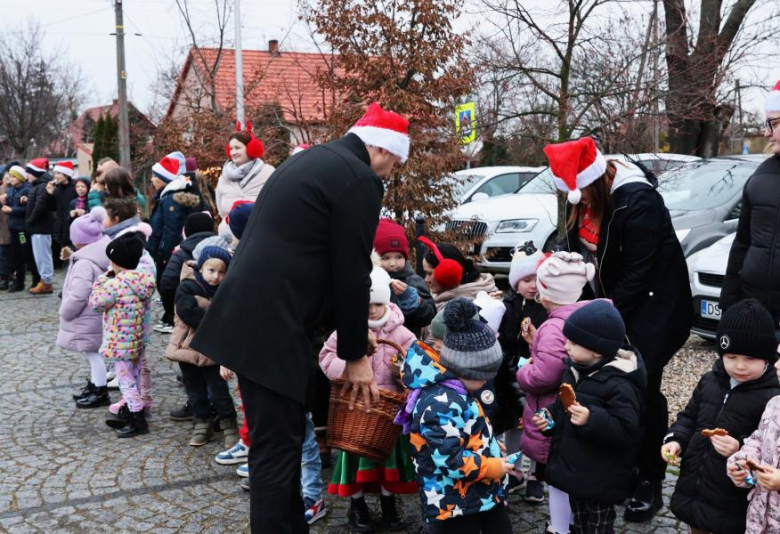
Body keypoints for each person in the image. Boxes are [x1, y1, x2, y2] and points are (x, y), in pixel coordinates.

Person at [190, 103, 409, 533]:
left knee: (278, 449)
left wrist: (346, 333)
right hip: (273, 326)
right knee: (277, 454)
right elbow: (351, 272)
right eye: (395, 162)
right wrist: (355, 356)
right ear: (382, 149)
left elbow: (311, 255)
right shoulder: (359, 177)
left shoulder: (316, 158)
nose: (391, 172)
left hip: (254, 317)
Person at [547, 137, 692, 521]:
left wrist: (597, 315)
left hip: (654, 310)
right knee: (605, 389)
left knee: (642, 389)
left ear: (594, 182)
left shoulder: (636, 200)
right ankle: (617, 470)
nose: (577, 203)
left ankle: (650, 477)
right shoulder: (581, 196)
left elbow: (638, 274)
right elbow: (574, 242)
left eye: (580, 196)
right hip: (611, 307)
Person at [661, 299, 780, 534]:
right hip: (697, 486)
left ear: (767, 358)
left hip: (735, 498)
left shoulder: (772, 397)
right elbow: (689, 417)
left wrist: (739, 446)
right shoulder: (709, 381)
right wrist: (675, 440)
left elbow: (768, 444)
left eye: (750, 358)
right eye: (732, 356)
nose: (740, 366)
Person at [399, 298, 512, 533]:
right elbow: (449, 459)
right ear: (461, 367)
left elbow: (467, 431)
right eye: (482, 376)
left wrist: (488, 446)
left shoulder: (458, 391)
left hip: (476, 493)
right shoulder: (440, 403)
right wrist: (492, 467)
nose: (484, 383)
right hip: (453, 502)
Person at [532, 300, 645, 534]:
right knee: (579, 524)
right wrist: (549, 418)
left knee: (597, 528)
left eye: (574, 342)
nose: (566, 346)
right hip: (574, 472)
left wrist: (591, 419)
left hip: (600, 479)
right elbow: (563, 408)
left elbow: (627, 430)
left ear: (596, 349)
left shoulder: (620, 385)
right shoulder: (573, 371)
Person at [319, 266, 417, 533]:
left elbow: (419, 367)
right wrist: (347, 369)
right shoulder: (346, 331)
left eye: (377, 304)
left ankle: (388, 502)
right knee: (353, 458)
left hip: (389, 412)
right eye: (366, 304)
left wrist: (405, 373)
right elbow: (326, 357)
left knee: (387, 460)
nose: (372, 310)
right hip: (354, 409)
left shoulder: (403, 334)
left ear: (387, 302)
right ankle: (357, 504)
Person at [515, 251, 594, 534]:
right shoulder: (587, 315)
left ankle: (560, 527)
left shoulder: (553, 326)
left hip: (553, 411)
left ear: (545, 292)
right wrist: (537, 342)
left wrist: (523, 370)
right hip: (580, 408)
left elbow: (544, 375)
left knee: (557, 477)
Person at [164, 245, 238, 447]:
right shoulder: (188, 286)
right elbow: (188, 313)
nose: (215, 277)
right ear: (201, 268)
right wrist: (217, 321)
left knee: (219, 391)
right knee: (195, 390)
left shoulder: (226, 290)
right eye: (211, 270)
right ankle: (202, 424)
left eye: (221, 272)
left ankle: (229, 425)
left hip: (213, 350)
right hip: (188, 348)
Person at [721, 80, 780, 331]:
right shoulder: (760, 176)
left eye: (774, 123)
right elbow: (742, 243)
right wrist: (730, 304)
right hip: (758, 315)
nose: (766, 133)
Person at [89, 231, 156, 438]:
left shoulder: (114, 284)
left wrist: (101, 280)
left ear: (116, 262)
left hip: (120, 343)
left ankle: (137, 419)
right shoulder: (144, 279)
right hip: (137, 340)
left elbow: (95, 304)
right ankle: (130, 412)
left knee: (125, 381)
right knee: (134, 375)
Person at [496, 242, 548, 501]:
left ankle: (537, 475)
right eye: (526, 279)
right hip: (511, 372)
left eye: (537, 278)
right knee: (513, 422)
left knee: (540, 423)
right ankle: (513, 470)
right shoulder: (508, 305)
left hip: (539, 371)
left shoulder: (547, 307)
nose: (532, 285)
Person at [58, 207, 112, 408]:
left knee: (92, 352)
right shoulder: (100, 252)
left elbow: (79, 293)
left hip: (84, 316)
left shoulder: (84, 262)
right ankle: (95, 384)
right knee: (93, 351)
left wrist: (65, 311)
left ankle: (100, 390)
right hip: (95, 314)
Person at [727, 358, 780, 534]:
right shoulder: (775, 405)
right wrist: (743, 464)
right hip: (759, 518)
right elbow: (760, 440)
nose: (777, 366)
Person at [147, 152, 202, 316]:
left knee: (166, 283)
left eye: (155, 176)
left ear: (165, 178)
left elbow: (170, 229)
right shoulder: (167, 197)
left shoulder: (171, 199)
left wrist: (163, 253)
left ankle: (173, 316)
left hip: (169, 252)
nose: (152, 180)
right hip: (169, 250)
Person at [373, 218, 436, 338]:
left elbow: (428, 316)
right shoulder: (371, 279)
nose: (392, 263)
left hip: (403, 345)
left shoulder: (413, 281)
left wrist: (411, 300)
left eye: (398, 257)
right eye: (385, 258)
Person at [155, 212, 215, 335]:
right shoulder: (223, 249)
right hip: (218, 314)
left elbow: (167, 285)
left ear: (187, 230)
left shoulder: (181, 254)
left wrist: (173, 311)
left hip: (187, 312)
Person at [215, 122, 275, 223]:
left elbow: (276, 204)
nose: (233, 152)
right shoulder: (224, 178)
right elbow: (221, 211)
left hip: (259, 234)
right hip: (229, 235)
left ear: (251, 148)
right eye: (231, 149)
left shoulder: (267, 173)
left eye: (237, 148)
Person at [3, 165, 37, 292]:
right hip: (13, 227)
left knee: (27, 255)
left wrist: (12, 210)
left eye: (13, 176)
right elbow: (7, 205)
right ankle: (19, 282)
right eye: (10, 176)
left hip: (22, 229)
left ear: (20, 178)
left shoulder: (27, 190)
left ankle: (35, 280)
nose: (10, 179)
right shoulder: (11, 190)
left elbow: (27, 210)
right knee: (16, 256)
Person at [24, 158, 55, 294]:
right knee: (40, 256)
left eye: (29, 173)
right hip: (37, 228)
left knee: (43, 256)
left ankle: (46, 283)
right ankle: (44, 281)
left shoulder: (42, 186)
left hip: (40, 227)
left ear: (36, 173)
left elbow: (40, 206)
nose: (27, 176)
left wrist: (30, 220)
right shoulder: (38, 186)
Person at [49, 161, 78, 255]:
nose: (56, 176)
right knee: (65, 256)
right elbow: (52, 208)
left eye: (58, 173)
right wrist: (50, 194)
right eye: (55, 174)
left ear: (66, 175)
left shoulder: (75, 189)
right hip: (60, 229)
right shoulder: (56, 189)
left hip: (72, 228)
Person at [0, 169, 13, 289]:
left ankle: (12, 276)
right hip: (3, 229)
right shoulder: (1, 190)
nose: (9, 179)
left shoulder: (17, 189)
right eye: (7, 177)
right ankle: (4, 278)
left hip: (15, 226)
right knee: (3, 254)